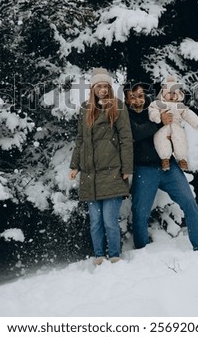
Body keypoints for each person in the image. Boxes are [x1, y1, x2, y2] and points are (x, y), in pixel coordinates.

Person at [123, 81, 198, 252]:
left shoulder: (155, 106)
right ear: (126, 100)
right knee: (140, 213)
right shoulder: (124, 116)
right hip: (144, 170)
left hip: (168, 166)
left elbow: (177, 111)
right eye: (132, 97)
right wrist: (160, 123)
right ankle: (142, 254)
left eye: (140, 96)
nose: (138, 101)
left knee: (190, 203)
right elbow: (136, 133)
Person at [69, 68, 133, 265]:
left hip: (112, 172)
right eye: (99, 86)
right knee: (95, 222)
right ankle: (99, 256)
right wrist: (75, 166)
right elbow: (80, 139)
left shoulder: (118, 107)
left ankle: (114, 255)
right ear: (93, 88)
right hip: (90, 176)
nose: (103, 90)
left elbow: (126, 139)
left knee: (109, 221)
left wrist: (127, 168)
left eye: (106, 86)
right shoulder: (85, 109)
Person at [148, 75, 198, 171]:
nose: (171, 95)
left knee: (180, 140)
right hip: (162, 127)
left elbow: (188, 114)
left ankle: (182, 159)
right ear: (163, 94)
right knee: (161, 140)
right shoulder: (159, 103)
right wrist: (156, 117)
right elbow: (152, 109)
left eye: (174, 93)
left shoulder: (179, 105)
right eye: (169, 93)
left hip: (176, 127)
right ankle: (165, 159)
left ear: (178, 95)